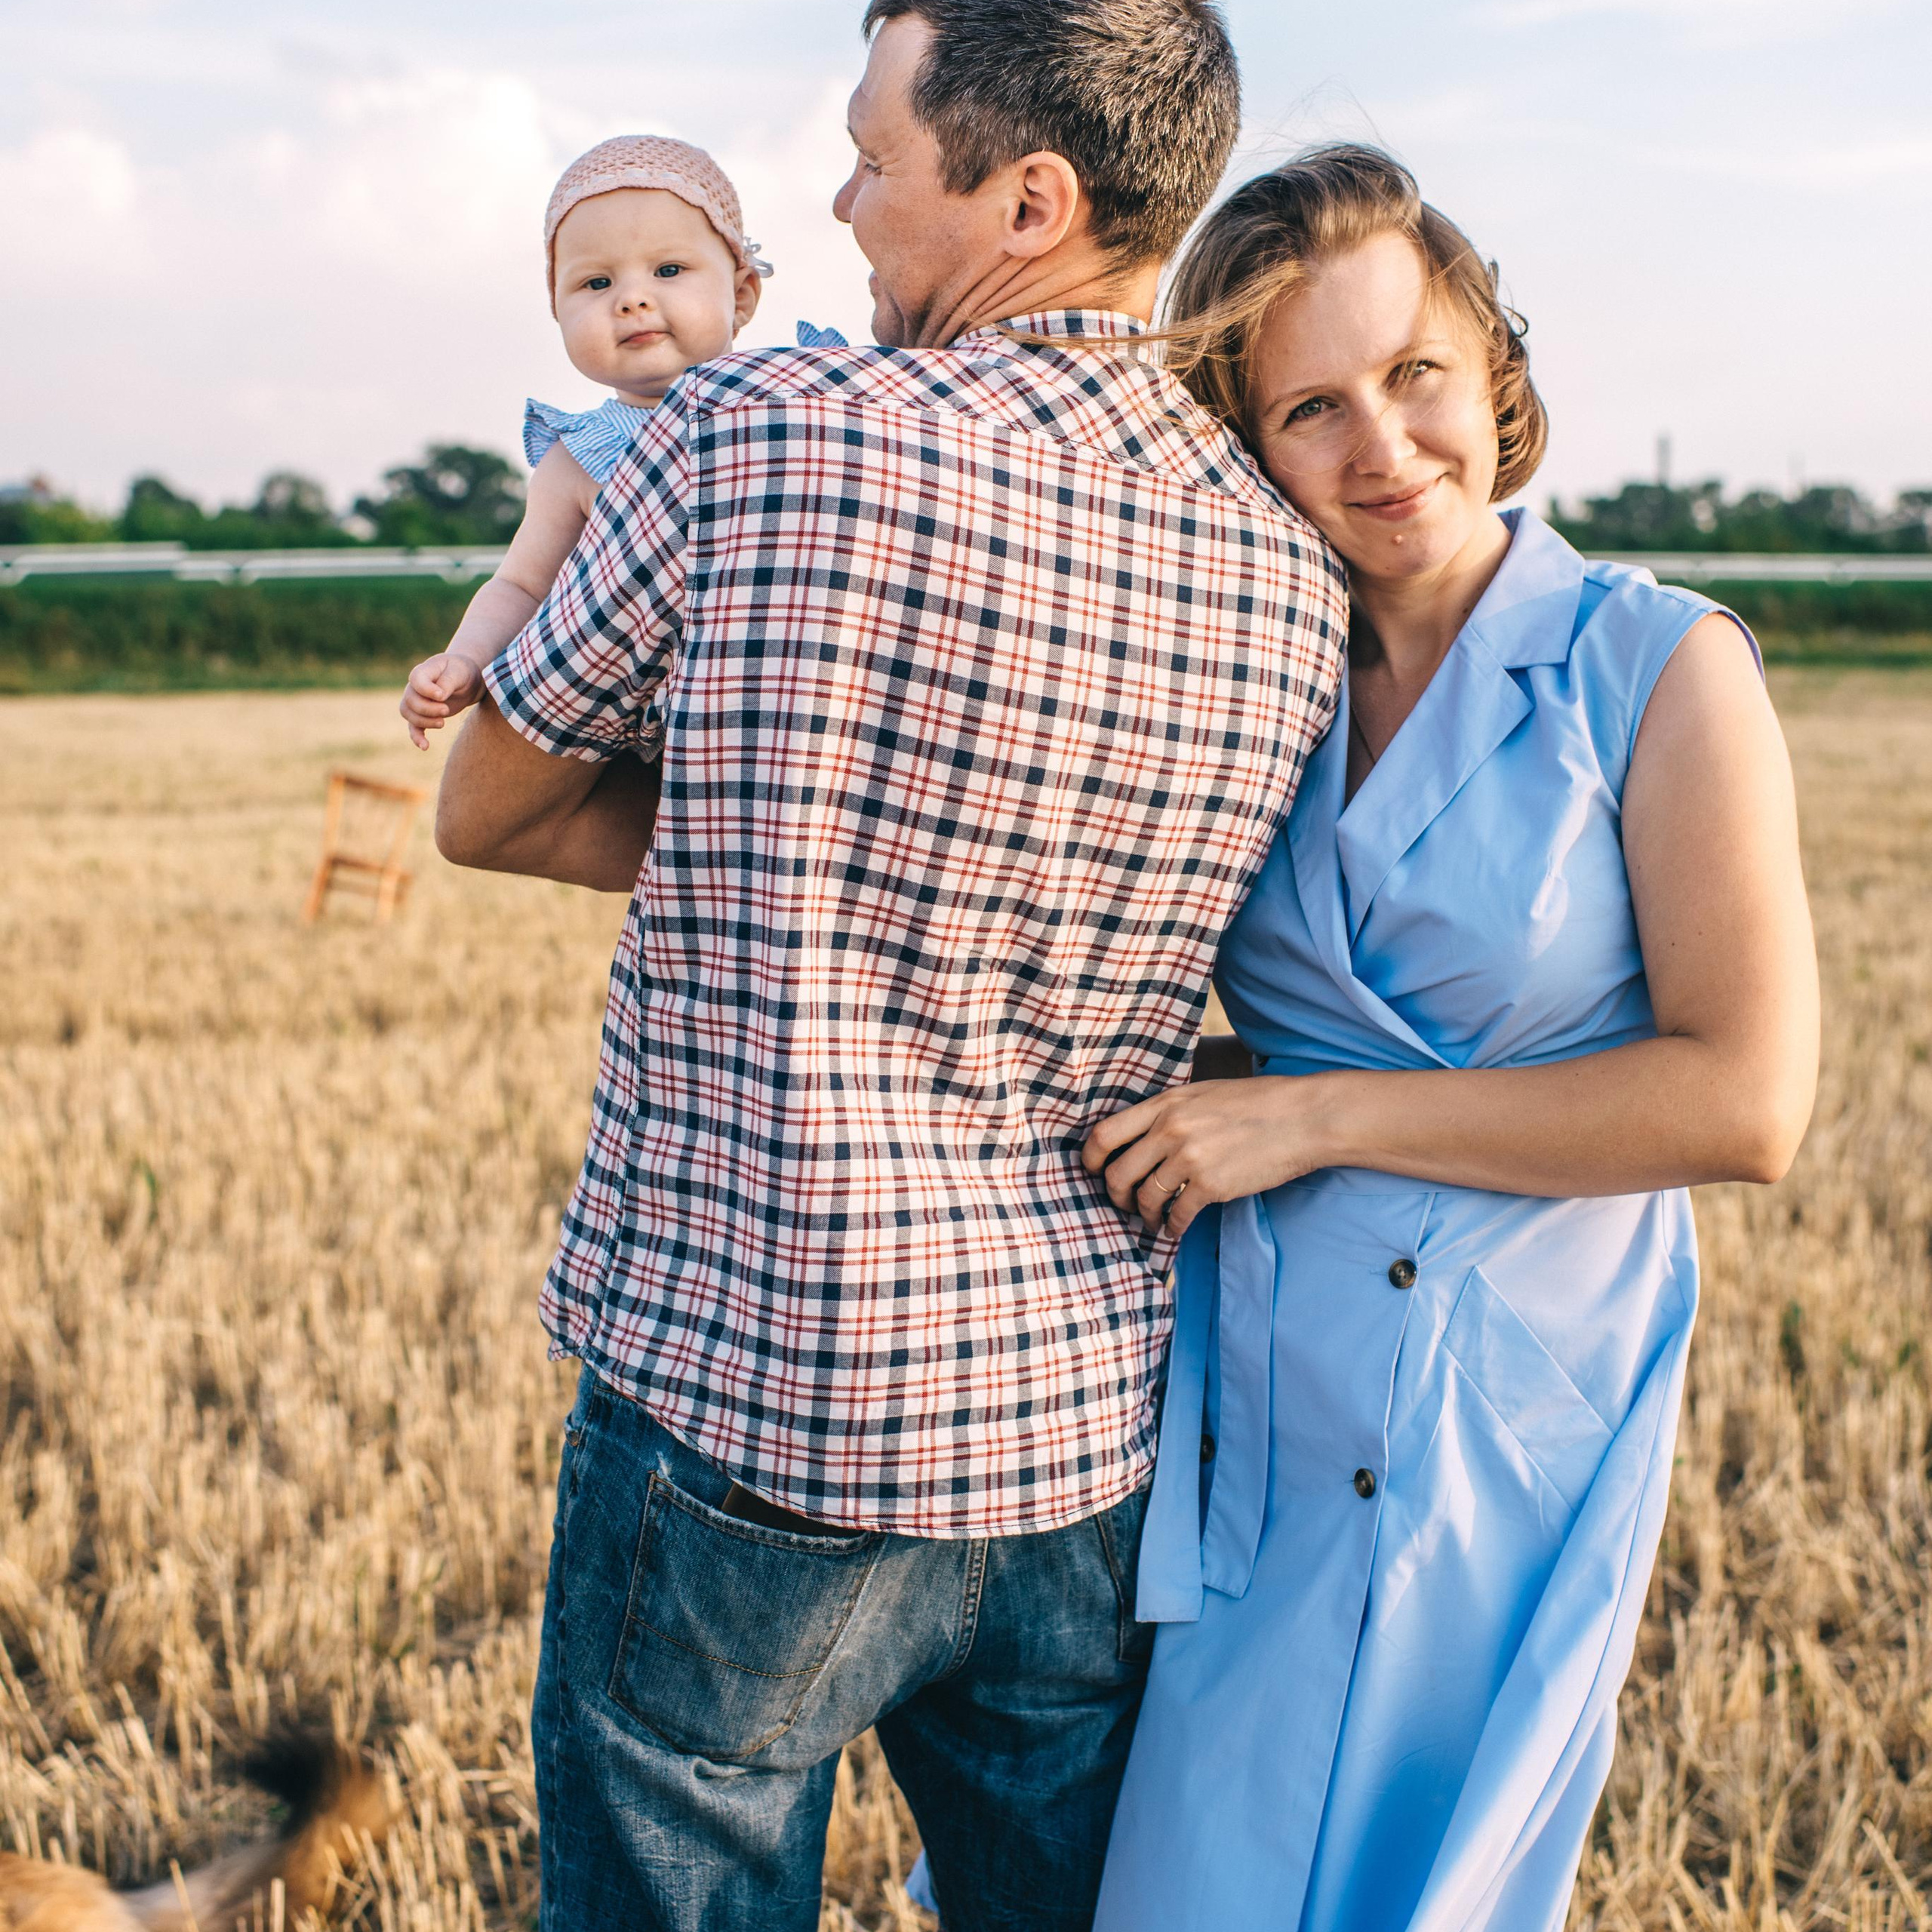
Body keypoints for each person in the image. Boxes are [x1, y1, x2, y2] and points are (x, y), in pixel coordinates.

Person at [432, 5, 1348, 1929]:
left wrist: (770, 847)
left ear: (1027, 197)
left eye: (870, 156)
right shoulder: (1283, 563)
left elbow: (489, 803)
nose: (835, 205)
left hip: (755, 1406)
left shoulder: (747, 430)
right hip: (1080, 1433)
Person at [1081, 145, 1820, 1931]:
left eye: (1410, 372)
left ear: (1485, 356)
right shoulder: (1235, 670)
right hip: (1241, 1382)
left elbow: (1742, 1098)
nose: (1380, 448)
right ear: (1246, 445)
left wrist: (1310, 1114)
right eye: (1308, 407)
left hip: (1509, 1404)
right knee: (1172, 1877)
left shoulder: (1651, 663)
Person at [398, 137, 771, 750]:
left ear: (741, 294)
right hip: (661, 737)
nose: (632, 298)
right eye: (596, 283)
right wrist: (465, 660)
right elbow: (522, 585)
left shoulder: (791, 405)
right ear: (557, 312)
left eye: (669, 270)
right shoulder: (580, 457)